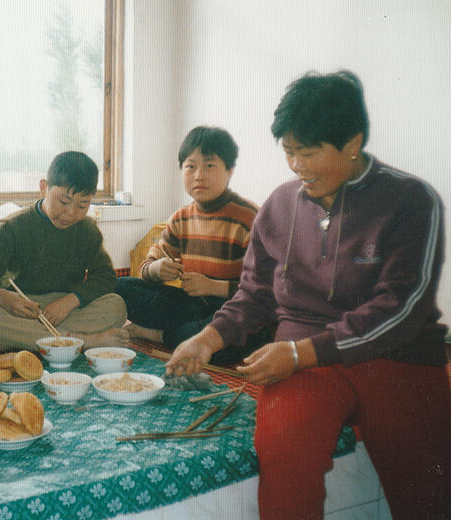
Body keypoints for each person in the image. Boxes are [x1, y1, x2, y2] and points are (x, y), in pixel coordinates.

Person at [165, 71, 451, 519]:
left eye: (309, 152)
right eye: (289, 152)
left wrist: (302, 353)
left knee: (426, 486)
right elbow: (253, 292)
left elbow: (402, 308)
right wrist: (207, 339)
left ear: (353, 143)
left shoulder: (411, 200)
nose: (296, 166)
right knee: (284, 454)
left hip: (397, 357)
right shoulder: (279, 206)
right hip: (301, 360)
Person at [116, 126, 268, 361]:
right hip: (191, 306)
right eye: (190, 166)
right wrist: (157, 269)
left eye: (209, 166)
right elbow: (146, 267)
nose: (199, 175)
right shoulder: (181, 218)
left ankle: (160, 336)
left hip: (232, 310)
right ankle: (181, 336)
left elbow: (263, 290)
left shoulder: (249, 218)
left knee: (239, 338)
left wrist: (213, 286)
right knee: (121, 287)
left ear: (229, 171)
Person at [0, 151, 128, 352]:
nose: (71, 213)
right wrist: (3, 297)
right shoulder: (13, 226)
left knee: (116, 306)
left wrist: (71, 301)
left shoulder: (87, 230)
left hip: (64, 308)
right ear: (44, 188)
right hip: (21, 308)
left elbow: (105, 276)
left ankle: (19, 340)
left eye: (82, 205)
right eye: (64, 202)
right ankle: (84, 341)